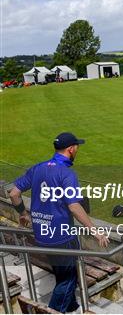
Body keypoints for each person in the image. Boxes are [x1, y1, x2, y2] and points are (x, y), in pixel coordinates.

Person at [8, 132, 109, 313]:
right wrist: (95, 231)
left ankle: (71, 306)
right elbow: (74, 207)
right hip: (62, 237)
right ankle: (53, 310)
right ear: (71, 149)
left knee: (62, 273)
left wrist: (23, 214)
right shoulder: (67, 173)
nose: (77, 149)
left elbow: (14, 193)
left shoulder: (38, 168)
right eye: (77, 146)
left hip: (42, 234)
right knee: (68, 279)